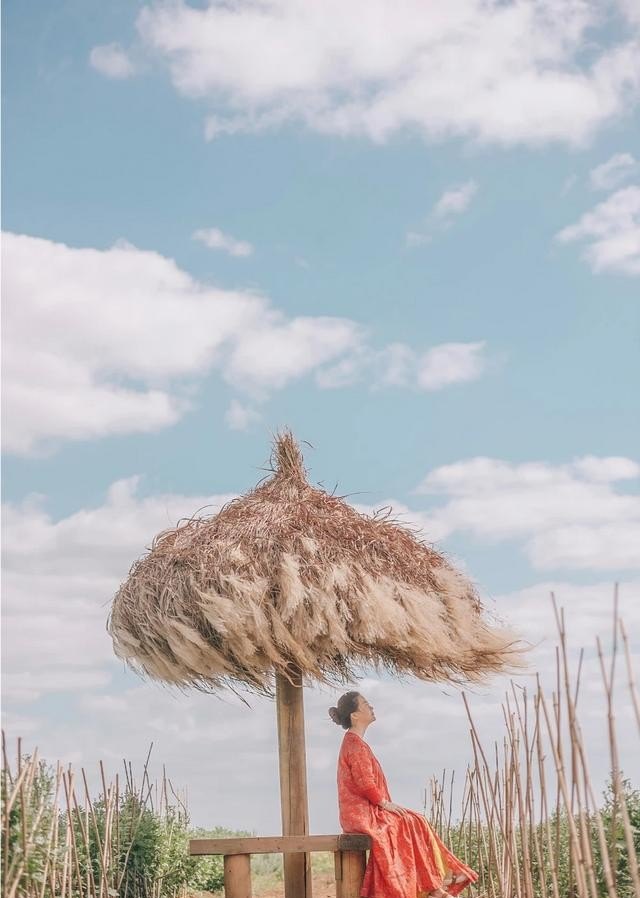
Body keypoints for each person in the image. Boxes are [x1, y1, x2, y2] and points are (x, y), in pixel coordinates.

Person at [329, 691, 478, 898]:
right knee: (410, 821)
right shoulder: (354, 743)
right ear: (354, 715)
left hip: (366, 810)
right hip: (361, 813)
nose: (371, 707)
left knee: (414, 820)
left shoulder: (356, 742)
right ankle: (434, 886)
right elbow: (364, 782)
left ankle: (436, 884)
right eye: (365, 703)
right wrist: (384, 803)